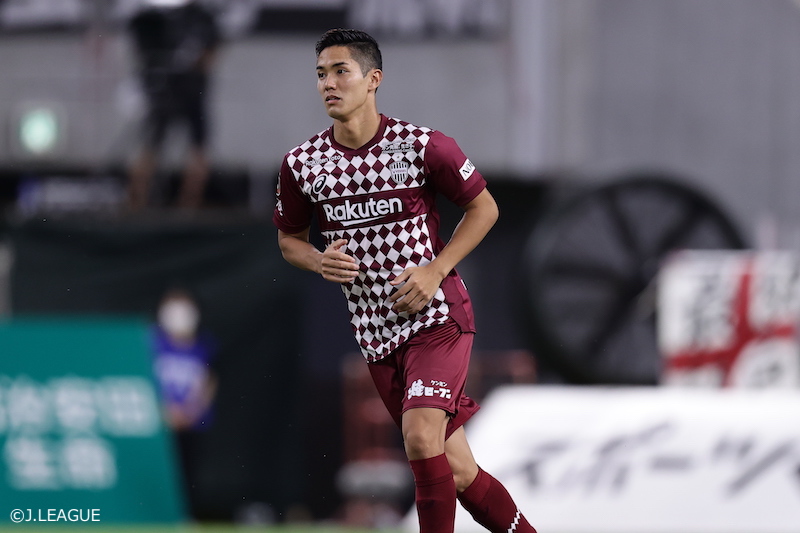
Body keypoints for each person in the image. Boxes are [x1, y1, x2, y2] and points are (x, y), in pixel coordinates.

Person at [272, 28, 537, 533]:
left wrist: (435, 269)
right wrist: (318, 261)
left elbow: (485, 209)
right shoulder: (302, 164)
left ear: (373, 79)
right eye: (321, 74)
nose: (329, 83)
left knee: (419, 439)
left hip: (436, 318)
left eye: (341, 71)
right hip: (375, 334)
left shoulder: (421, 146)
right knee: (459, 471)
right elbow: (290, 241)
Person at [126, 0, 221, 210]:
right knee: (153, 147)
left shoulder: (202, 19)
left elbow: (210, 54)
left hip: (188, 91)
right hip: (169, 91)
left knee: (195, 150)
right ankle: (137, 202)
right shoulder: (155, 16)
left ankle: (187, 206)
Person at [151, 287, 217, 518]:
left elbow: (209, 380)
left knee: (188, 473)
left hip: (192, 423)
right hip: (159, 422)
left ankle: (185, 517)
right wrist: (163, 410)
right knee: (158, 473)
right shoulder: (151, 342)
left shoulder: (203, 345)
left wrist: (193, 409)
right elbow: (144, 380)